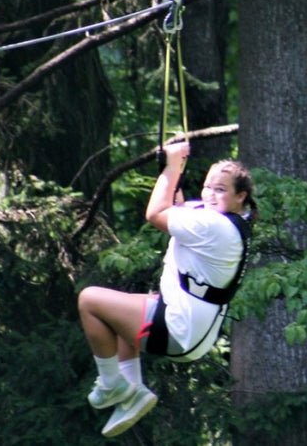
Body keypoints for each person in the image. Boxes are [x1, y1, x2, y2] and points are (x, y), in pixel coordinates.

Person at [77, 142, 257, 437]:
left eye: (221, 189)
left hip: (178, 331)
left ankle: (111, 384)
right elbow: (178, 208)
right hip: (193, 333)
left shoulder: (215, 226)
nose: (210, 194)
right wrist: (172, 169)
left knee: (89, 301)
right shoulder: (230, 222)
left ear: (241, 196)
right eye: (207, 186)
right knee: (121, 314)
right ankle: (133, 390)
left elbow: (156, 214)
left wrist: (173, 168)